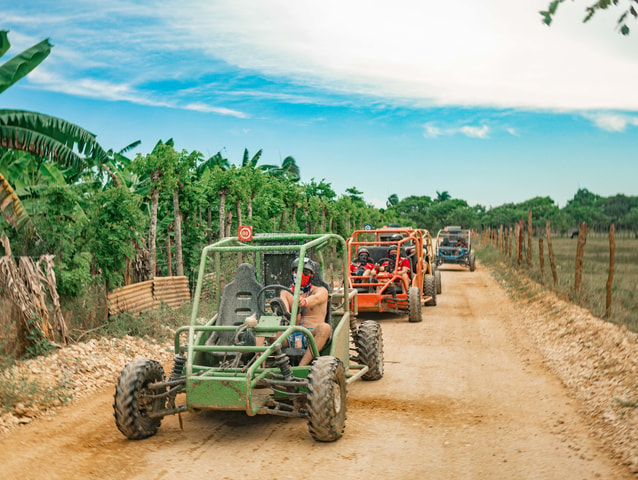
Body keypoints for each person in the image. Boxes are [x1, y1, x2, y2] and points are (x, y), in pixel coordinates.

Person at [280, 257, 330, 366]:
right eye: (296, 271)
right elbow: (287, 315)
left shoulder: (320, 290)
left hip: (311, 336)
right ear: (292, 272)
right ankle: (259, 367)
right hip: (290, 334)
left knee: (325, 328)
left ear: (311, 274)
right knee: (263, 326)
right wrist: (291, 311)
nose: (300, 274)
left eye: (305, 272)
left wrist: (305, 301)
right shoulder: (286, 293)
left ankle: (301, 366)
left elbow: (317, 298)